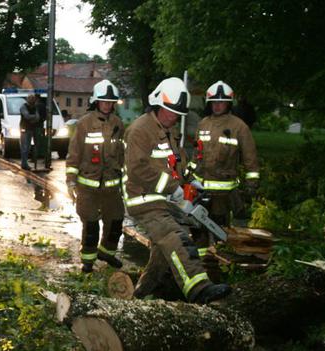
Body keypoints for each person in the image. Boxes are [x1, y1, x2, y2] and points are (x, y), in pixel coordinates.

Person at [123, 77, 231, 304]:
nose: (173, 117)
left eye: (176, 113)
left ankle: (140, 295)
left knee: (162, 254)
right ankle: (199, 289)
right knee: (174, 237)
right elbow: (136, 169)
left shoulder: (169, 131)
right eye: (169, 111)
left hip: (166, 200)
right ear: (157, 104)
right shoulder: (140, 130)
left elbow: (175, 164)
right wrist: (174, 188)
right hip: (145, 200)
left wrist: (189, 182)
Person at [65, 80, 125, 273]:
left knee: (115, 221)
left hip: (111, 187)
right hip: (88, 187)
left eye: (110, 102)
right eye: (103, 101)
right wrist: (70, 181)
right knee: (91, 226)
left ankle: (107, 253)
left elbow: (122, 155)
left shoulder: (118, 124)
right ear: (96, 102)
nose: (107, 105)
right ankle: (88, 262)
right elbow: (74, 153)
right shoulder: (84, 124)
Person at [189, 81, 259, 227]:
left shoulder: (239, 127)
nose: (217, 105)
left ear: (228, 103)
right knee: (199, 230)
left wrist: (251, 185)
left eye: (221, 102)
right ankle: (203, 250)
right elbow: (196, 155)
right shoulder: (203, 124)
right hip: (201, 190)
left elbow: (250, 158)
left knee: (219, 230)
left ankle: (218, 249)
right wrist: (189, 175)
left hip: (224, 194)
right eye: (214, 101)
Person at [19, 94, 40, 170]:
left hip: (31, 129)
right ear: (28, 99)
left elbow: (38, 117)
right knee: (24, 147)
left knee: (28, 147)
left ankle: (25, 164)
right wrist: (33, 117)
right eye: (31, 99)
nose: (33, 100)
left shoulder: (34, 107)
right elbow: (26, 116)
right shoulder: (23, 107)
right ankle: (24, 164)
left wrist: (31, 117)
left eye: (33, 99)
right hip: (24, 129)